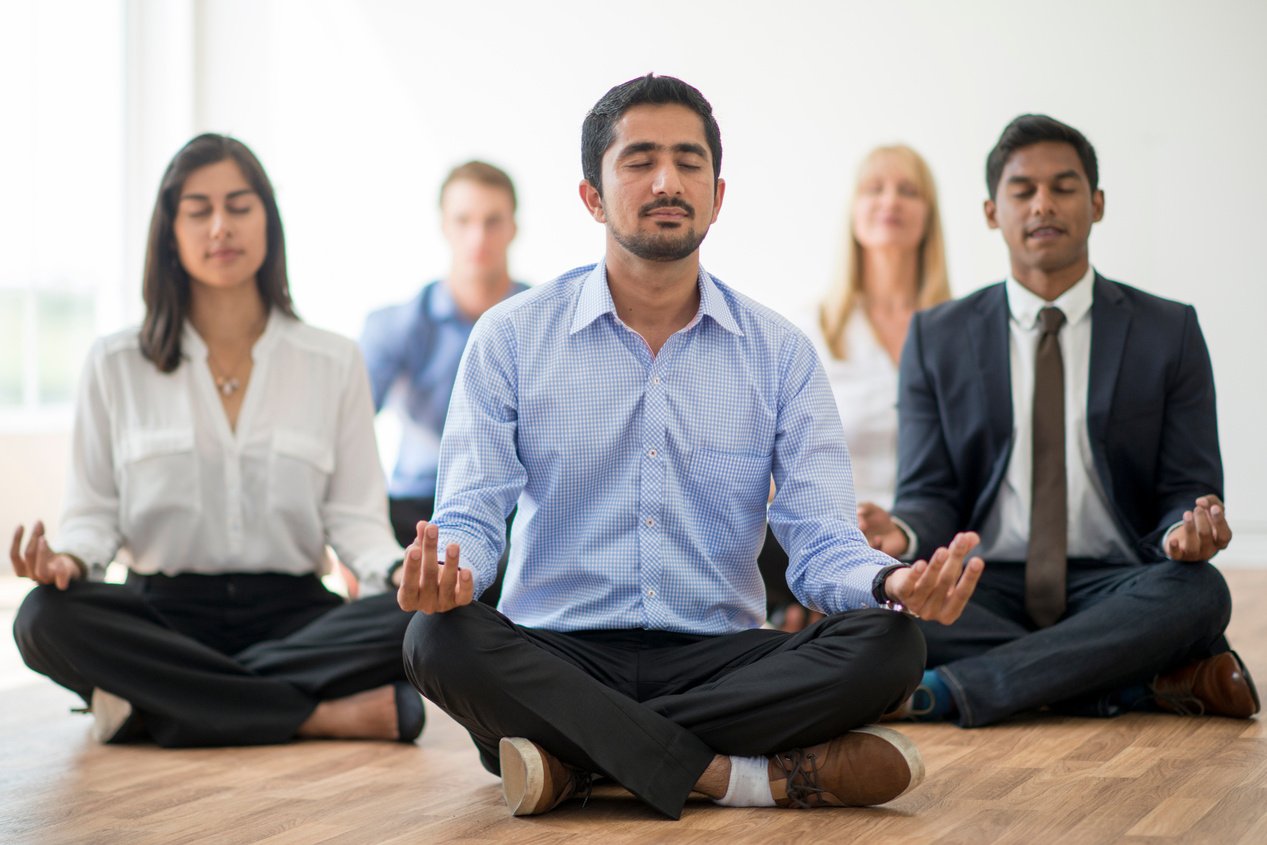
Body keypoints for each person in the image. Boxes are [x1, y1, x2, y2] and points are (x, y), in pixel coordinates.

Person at [396, 73, 984, 821]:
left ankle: (579, 764)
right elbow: (474, 514)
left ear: (717, 193)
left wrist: (890, 582)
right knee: (436, 639)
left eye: (688, 161)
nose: (667, 180)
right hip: (555, 653)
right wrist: (452, 576)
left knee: (891, 646)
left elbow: (820, 539)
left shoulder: (778, 352)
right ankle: (732, 777)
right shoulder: (511, 338)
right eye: (638, 160)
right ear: (592, 197)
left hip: (717, 656)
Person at [10, 134, 422, 747]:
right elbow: (93, 513)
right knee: (43, 619)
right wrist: (68, 560)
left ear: (267, 219)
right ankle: (316, 714)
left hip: (294, 614)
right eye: (198, 210)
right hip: (161, 616)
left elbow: (355, 518)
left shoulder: (332, 361)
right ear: (170, 232)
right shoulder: (115, 363)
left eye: (239, 205)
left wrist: (398, 571)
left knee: (426, 620)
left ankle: (154, 707)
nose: (221, 226)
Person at [859, 114, 1259, 727]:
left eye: (1064, 187)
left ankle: (952, 689)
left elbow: (1189, 483)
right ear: (993, 211)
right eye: (1023, 191)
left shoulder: (1167, 331)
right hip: (985, 584)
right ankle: (1131, 684)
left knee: (1201, 592)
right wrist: (904, 535)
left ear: (1096, 204)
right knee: (873, 616)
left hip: (1116, 582)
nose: (1043, 204)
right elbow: (930, 493)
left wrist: (1188, 528)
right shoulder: (938, 338)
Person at [763, 145, 952, 630]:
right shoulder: (809, 331)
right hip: (829, 538)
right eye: (875, 188)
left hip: (928, 537)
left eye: (908, 190)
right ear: (853, 211)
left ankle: (829, 631)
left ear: (928, 215)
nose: (890, 200)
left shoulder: (963, 332)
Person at [360, 161, 528, 550]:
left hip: (513, 510)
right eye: (464, 220)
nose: (478, 236)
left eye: (492, 221)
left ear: (513, 228)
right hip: (414, 508)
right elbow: (346, 430)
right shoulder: (396, 325)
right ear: (443, 226)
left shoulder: (544, 323)